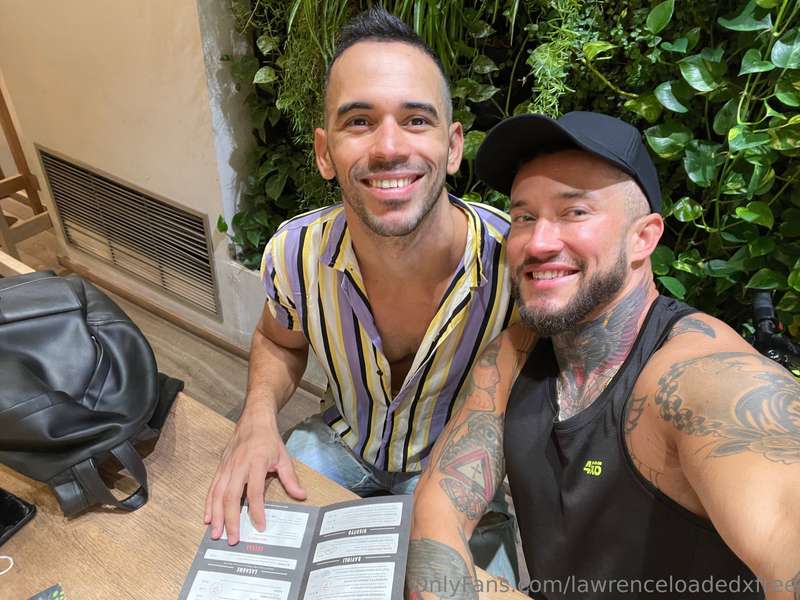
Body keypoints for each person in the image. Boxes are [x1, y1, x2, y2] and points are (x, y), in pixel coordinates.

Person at [407, 111, 800, 599]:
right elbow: (437, 512)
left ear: (643, 238)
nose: (538, 242)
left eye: (575, 212)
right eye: (524, 217)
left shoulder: (700, 377)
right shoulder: (514, 353)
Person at [204, 7, 520, 584]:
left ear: (453, 146)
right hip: (340, 448)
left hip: (459, 474)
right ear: (325, 153)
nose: (388, 147)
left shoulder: (516, 264)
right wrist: (256, 417)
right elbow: (278, 341)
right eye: (359, 121)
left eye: (416, 119)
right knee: (243, 563)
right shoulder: (294, 254)